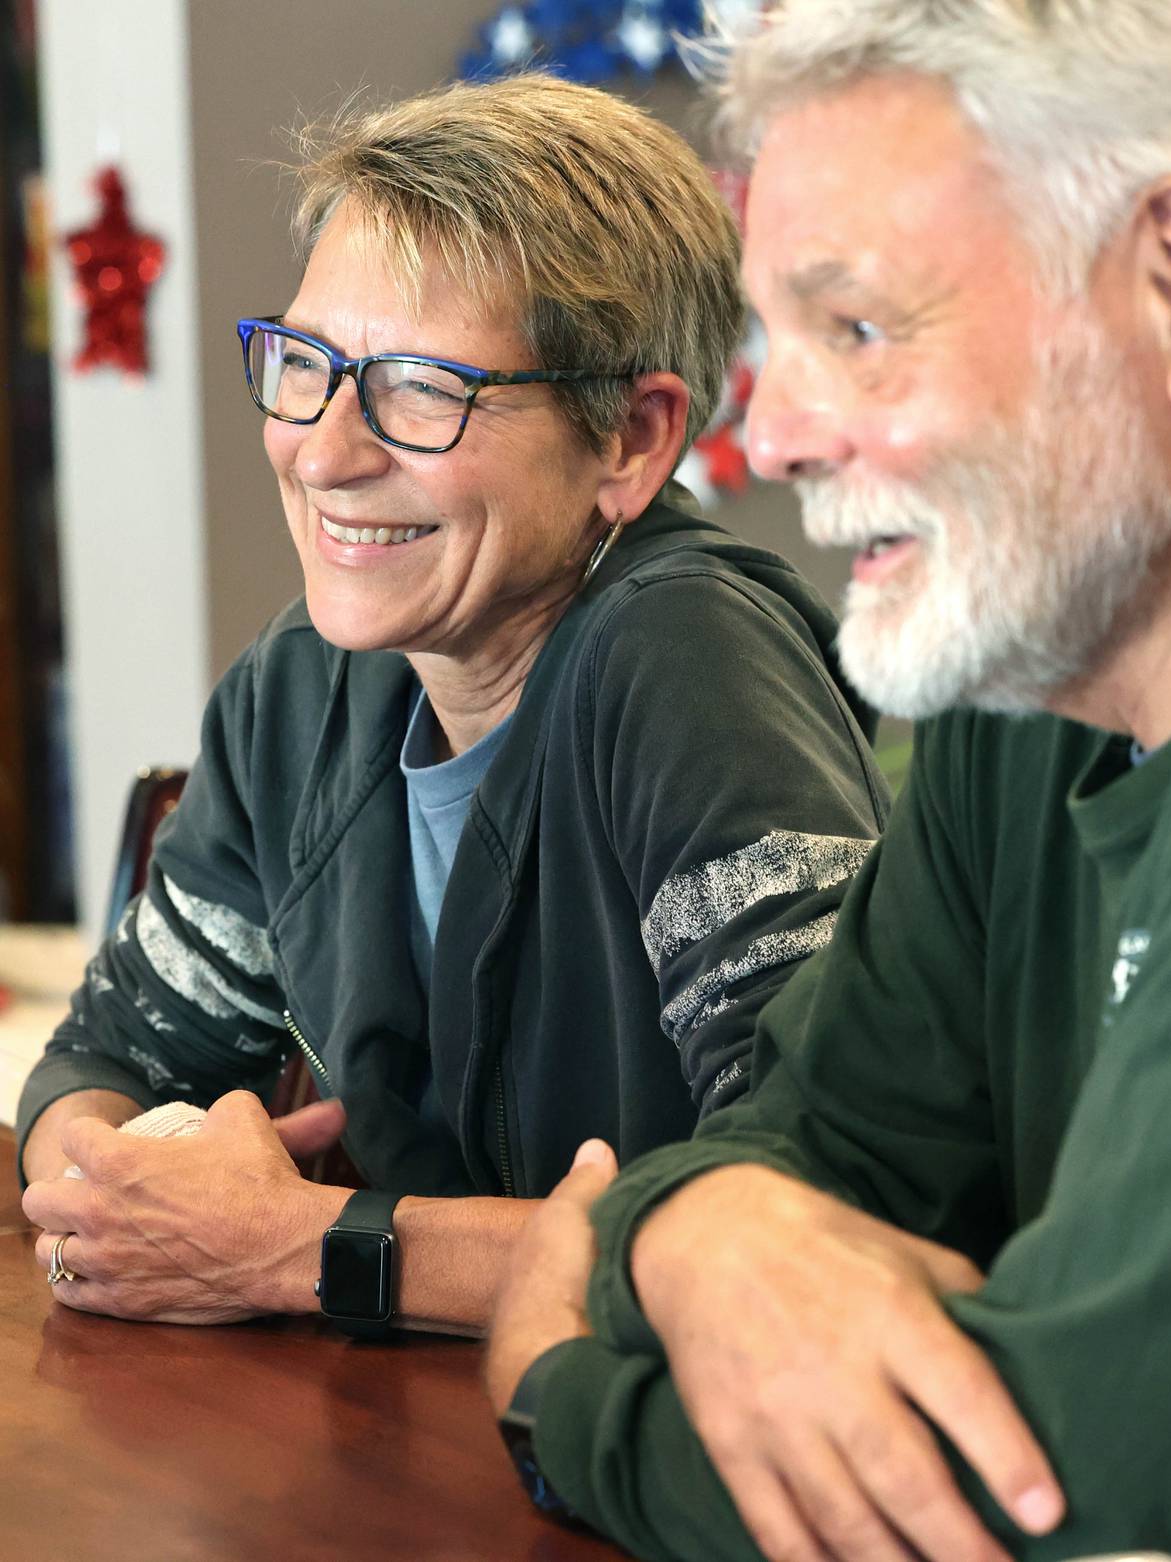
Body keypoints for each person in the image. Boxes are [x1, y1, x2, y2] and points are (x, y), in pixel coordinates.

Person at [484, 2, 1171, 1557]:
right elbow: (823, 1148)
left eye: (855, 327)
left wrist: (557, 1392)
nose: (774, 432)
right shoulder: (1048, 637)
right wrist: (698, 1227)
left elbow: (1070, 1494)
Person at [18, 74, 888, 1334]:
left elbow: (818, 1207)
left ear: (632, 442)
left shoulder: (688, 653)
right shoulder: (302, 685)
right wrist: (114, 1194)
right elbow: (104, 1060)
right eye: (307, 364)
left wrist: (303, 1244)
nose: (322, 450)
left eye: (422, 386)